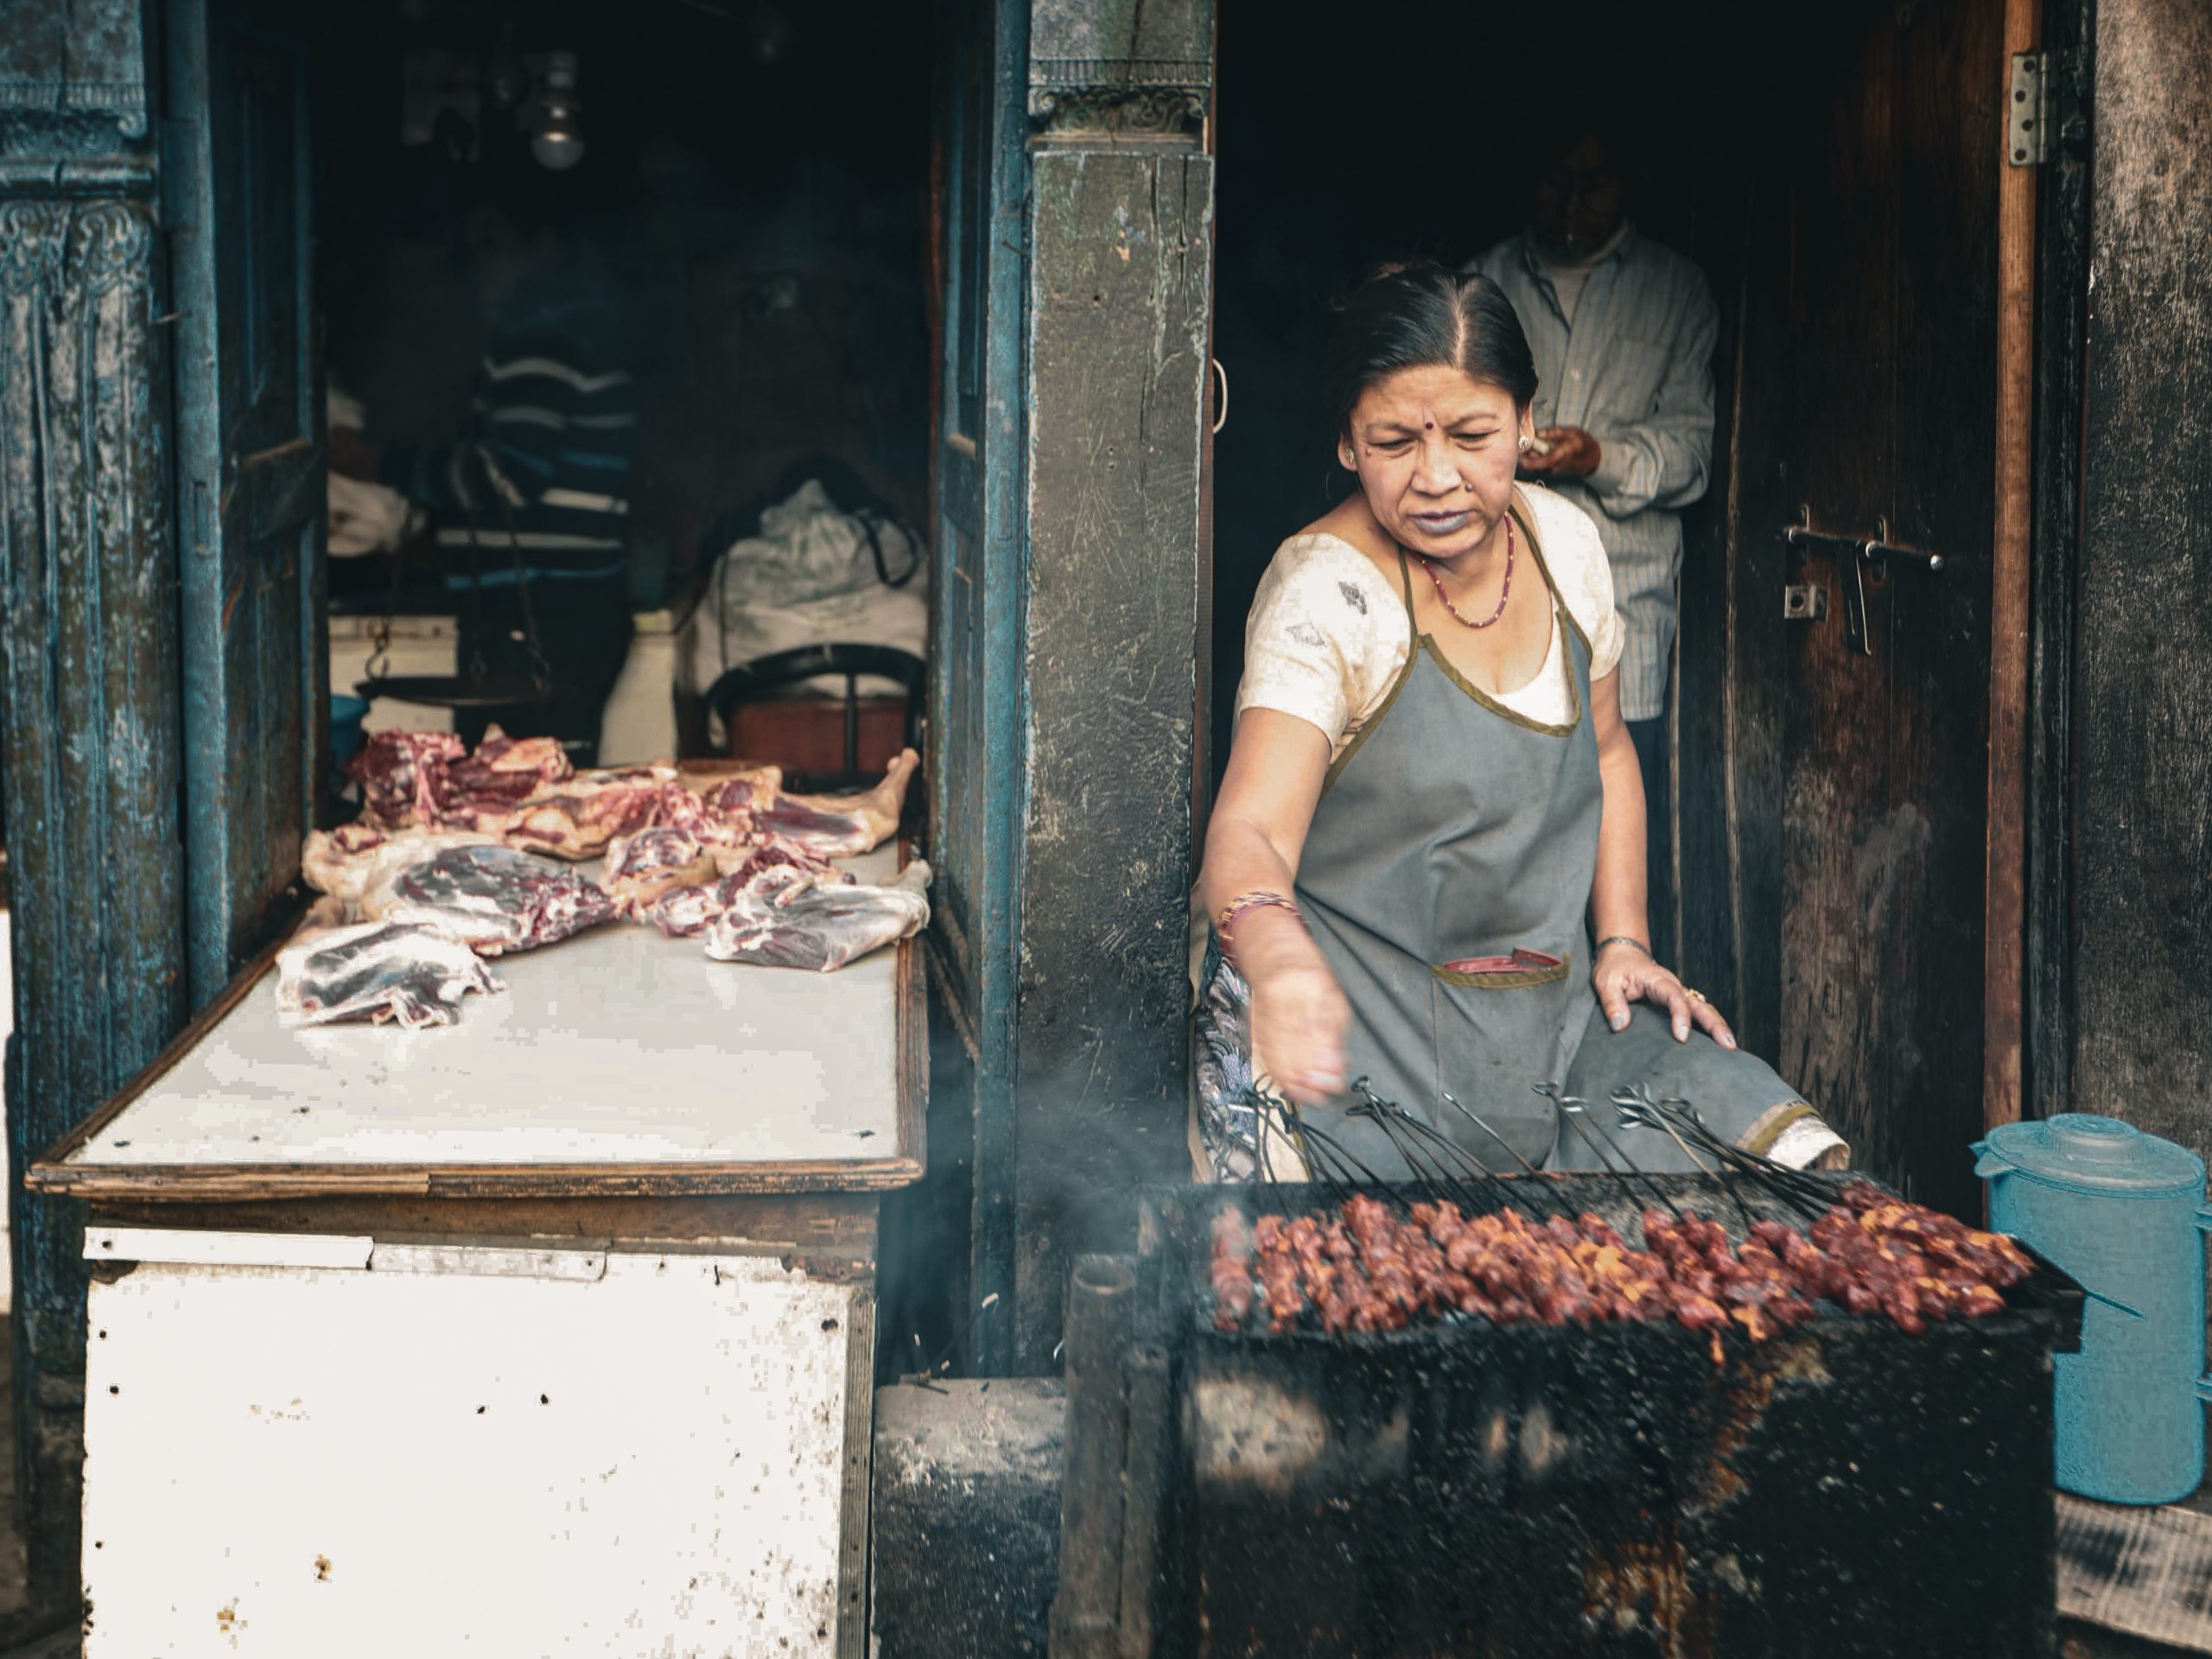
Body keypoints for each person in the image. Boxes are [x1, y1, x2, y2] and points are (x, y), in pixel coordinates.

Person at [1191, 264, 1840, 1183]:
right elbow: (1248, 829)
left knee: (1759, 1158)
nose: (1436, 477)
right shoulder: (1326, 594)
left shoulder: (1569, 549)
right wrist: (1277, 956)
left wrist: (1622, 939)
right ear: (1345, 443)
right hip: (1348, 1027)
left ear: (1528, 421)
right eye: (1392, 442)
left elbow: (1611, 753)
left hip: (1547, 1023)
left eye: (1472, 434)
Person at [1465, 128, 1719, 959]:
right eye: (1556, 182)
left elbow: (1690, 453)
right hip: (1484, 592)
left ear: (1627, 186)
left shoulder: (1676, 290)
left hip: (1626, 593)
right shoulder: (1485, 280)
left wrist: (1598, 456)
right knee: (1497, 798)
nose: (1573, 204)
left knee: (1610, 787)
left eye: (1594, 184)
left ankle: (1611, 966)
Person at [329, 177, 637, 760]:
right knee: (510, 795)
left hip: (547, 614)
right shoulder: (559, 326)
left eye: (494, 243)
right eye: (470, 249)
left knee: (512, 798)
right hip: (551, 611)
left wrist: (378, 462)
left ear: (545, 243)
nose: (477, 266)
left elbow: (508, 479)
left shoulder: (544, 334)